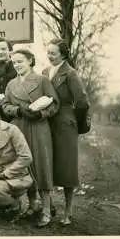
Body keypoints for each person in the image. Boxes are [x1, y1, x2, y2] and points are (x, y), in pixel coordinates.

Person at [1, 48, 59, 227]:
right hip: (19, 127)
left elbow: (55, 103)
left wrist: (41, 114)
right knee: (23, 166)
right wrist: (17, 110)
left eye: (21, 61)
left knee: (41, 165)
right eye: (14, 62)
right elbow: (5, 105)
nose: (17, 65)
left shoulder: (42, 81)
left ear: (30, 61)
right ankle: (33, 205)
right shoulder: (11, 84)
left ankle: (47, 210)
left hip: (38, 128)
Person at [43, 39, 89, 225]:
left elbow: (82, 102)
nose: (50, 56)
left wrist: (72, 122)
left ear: (63, 54)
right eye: (48, 52)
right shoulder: (45, 72)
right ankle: (49, 207)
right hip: (47, 122)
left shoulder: (70, 73)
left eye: (53, 53)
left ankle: (68, 212)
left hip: (65, 124)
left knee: (67, 167)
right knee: (48, 164)